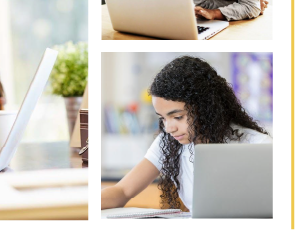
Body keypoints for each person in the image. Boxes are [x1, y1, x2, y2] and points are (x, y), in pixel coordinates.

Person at [100, 56, 272, 212]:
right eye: (163, 118)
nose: (169, 128)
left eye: (177, 117)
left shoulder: (260, 146)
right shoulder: (168, 142)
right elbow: (123, 191)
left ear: (205, 108)